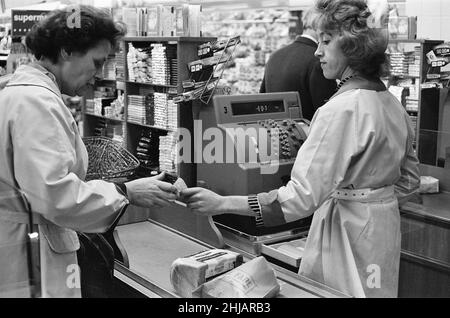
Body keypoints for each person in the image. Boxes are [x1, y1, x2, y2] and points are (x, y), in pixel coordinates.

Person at [181, 0, 420, 298]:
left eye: (327, 41)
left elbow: (298, 199)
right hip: (383, 231)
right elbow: (410, 181)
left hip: (346, 234)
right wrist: (373, 201)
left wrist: (221, 203)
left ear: (352, 48)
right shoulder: (392, 105)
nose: (318, 51)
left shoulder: (340, 109)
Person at [0, 6, 178, 298]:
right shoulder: (37, 102)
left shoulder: (18, 93)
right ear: (67, 50)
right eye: (96, 62)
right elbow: (55, 197)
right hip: (31, 257)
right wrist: (125, 192)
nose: (96, 76)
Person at [259, 7, 337, 121]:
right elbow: (328, 112)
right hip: (307, 135)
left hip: (276, 132)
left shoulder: (275, 56)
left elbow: (262, 101)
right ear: (318, 26)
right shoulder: (318, 60)